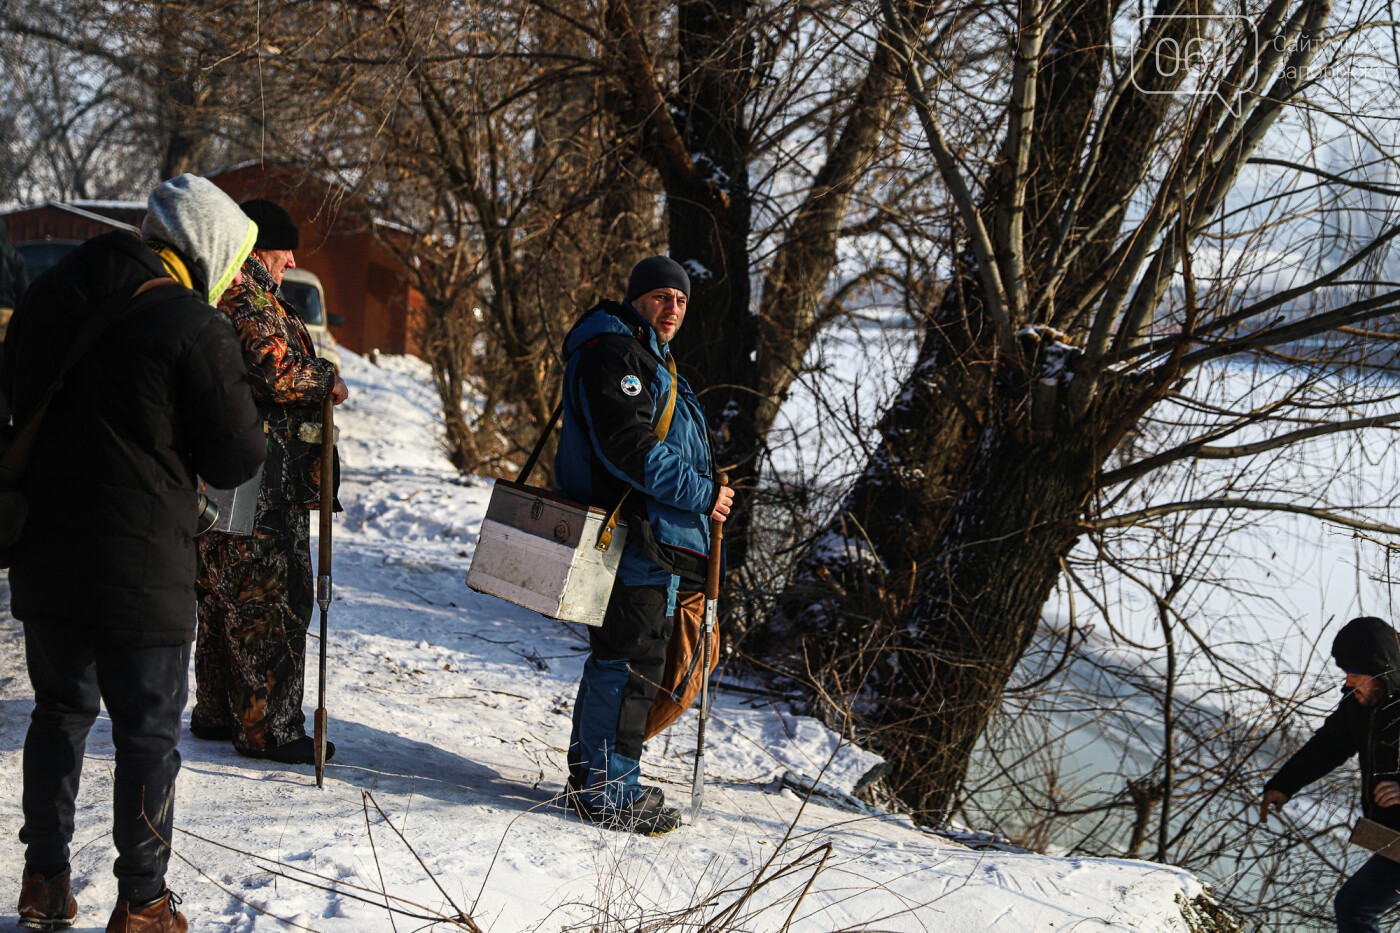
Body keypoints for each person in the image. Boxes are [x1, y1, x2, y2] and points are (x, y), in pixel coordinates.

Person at [5, 173, 265, 933]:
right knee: (147, 736)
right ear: (207, 247)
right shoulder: (191, 324)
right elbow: (235, 460)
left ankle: (45, 879)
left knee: (58, 712)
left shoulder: (51, 293)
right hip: (144, 569)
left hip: (48, 554)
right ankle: (144, 901)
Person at [554, 255, 735, 835]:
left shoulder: (640, 354)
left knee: (628, 658)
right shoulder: (616, 355)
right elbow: (629, 449)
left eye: (681, 301)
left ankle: (601, 778)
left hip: (643, 535)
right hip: (629, 536)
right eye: (661, 297)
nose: (673, 309)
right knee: (630, 662)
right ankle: (606, 791)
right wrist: (703, 494)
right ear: (636, 299)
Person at [190, 197, 349, 766]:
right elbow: (275, 371)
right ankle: (269, 731)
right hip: (263, 489)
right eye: (285, 253)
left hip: (239, 481)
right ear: (261, 248)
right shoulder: (248, 298)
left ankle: (215, 711)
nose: (289, 264)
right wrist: (327, 378)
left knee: (222, 600)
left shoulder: (228, 292)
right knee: (271, 606)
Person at [1261, 616, 1400, 933]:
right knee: (1354, 907)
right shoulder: (1362, 702)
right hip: (1394, 839)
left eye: (1355, 674)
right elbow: (1328, 745)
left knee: (1356, 907)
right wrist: (1283, 785)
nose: (1348, 682)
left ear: (1382, 670)